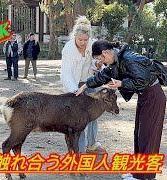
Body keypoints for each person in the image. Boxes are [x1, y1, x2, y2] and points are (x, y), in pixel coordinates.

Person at [76, 40, 167, 180]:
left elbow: (143, 81)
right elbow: (102, 76)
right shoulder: (116, 60)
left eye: (100, 59)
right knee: (139, 134)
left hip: (153, 96)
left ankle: (146, 176)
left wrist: (122, 83)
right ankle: (138, 173)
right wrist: (85, 86)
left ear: (105, 53)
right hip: (145, 97)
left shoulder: (128, 59)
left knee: (148, 136)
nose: (101, 62)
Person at [60, 16, 107, 154]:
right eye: (80, 39)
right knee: (78, 118)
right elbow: (66, 73)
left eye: (85, 40)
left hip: (89, 82)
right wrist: (75, 92)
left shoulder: (92, 45)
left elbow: (97, 64)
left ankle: (92, 144)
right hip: (74, 84)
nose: (83, 42)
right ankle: (77, 150)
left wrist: (98, 65)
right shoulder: (68, 49)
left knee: (94, 113)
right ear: (74, 36)